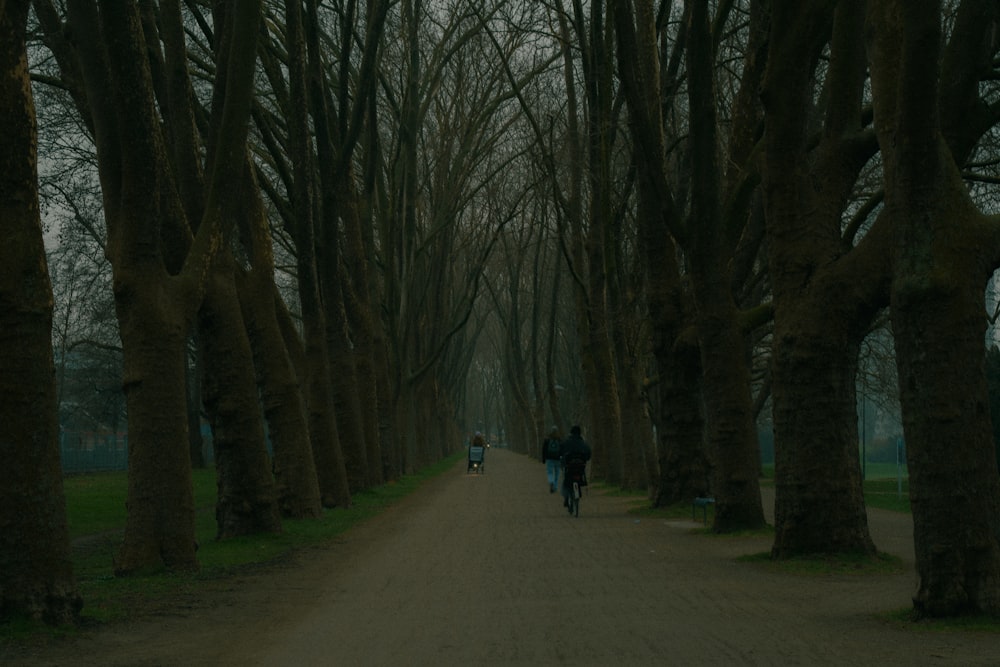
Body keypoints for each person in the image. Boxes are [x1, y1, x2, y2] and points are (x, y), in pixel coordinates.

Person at [559, 425, 592, 509]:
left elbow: (560, 451)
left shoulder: (566, 442)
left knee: (565, 480)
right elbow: (588, 453)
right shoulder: (583, 443)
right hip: (580, 466)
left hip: (569, 466)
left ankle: (566, 497)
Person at [541, 426, 563, 493]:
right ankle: (555, 487)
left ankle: (551, 482)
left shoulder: (547, 439)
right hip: (557, 459)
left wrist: (543, 458)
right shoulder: (559, 439)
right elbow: (562, 449)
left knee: (550, 472)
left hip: (549, 458)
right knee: (557, 473)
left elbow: (544, 450)